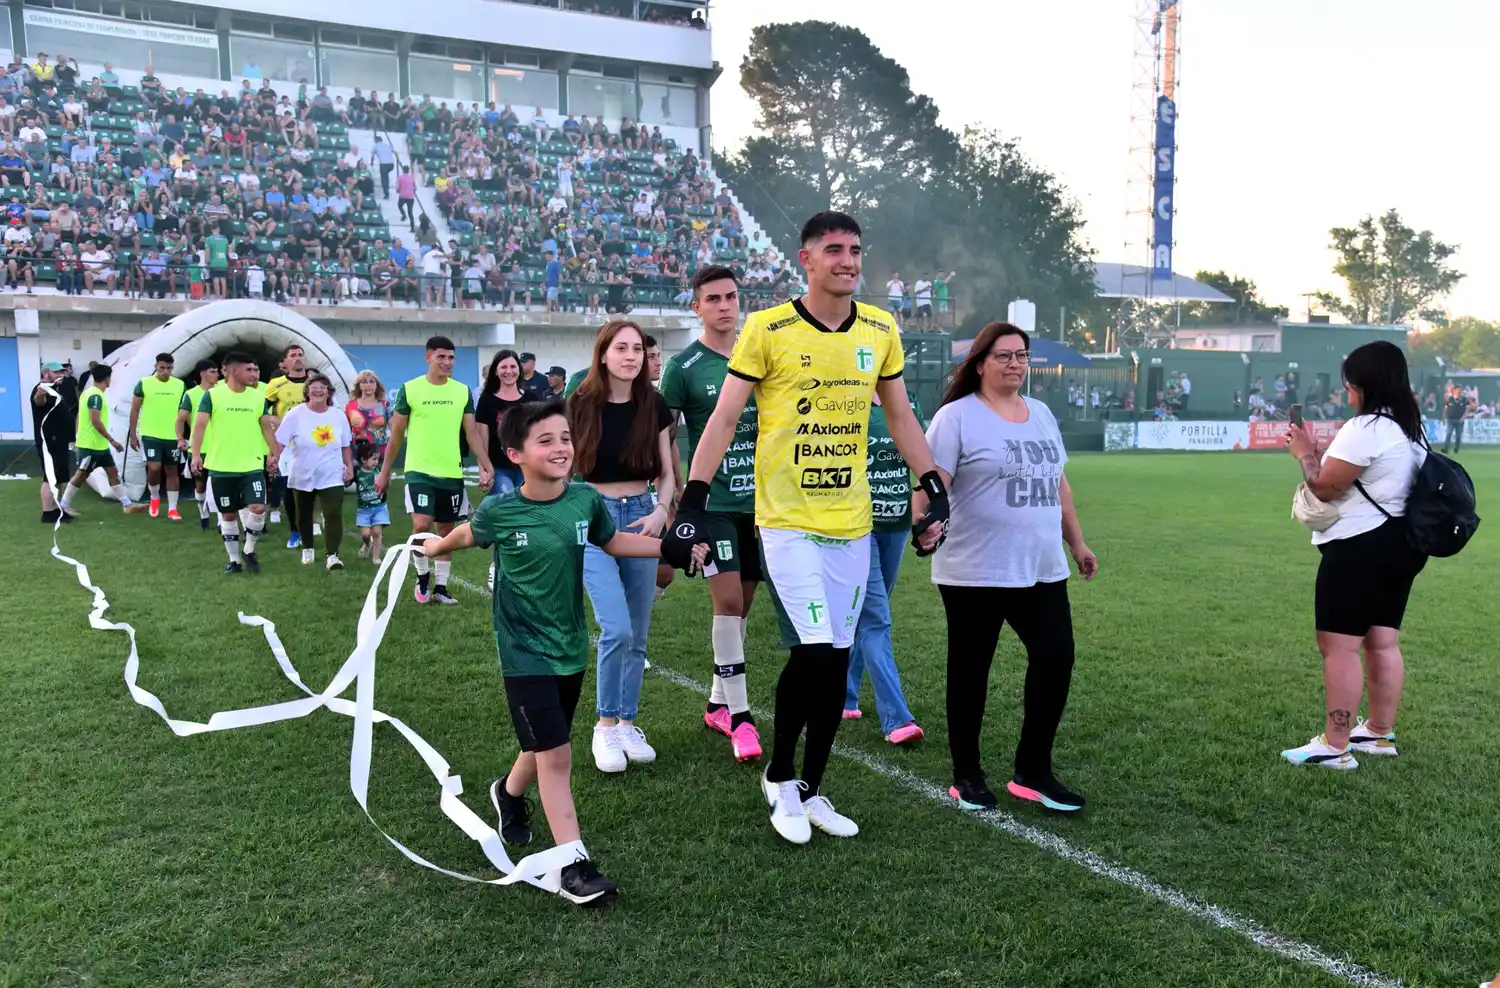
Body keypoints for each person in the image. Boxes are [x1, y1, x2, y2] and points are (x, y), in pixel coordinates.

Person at [661, 211, 950, 845]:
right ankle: (782, 777)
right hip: (785, 520)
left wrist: (931, 482)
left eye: (854, 250)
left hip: (853, 520)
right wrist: (694, 500)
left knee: (837, 657)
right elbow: (724, 418)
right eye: (834, 250)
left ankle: (814, 790)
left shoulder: (880, 328)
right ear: (806, 259)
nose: (848, 260)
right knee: (813, 653)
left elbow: (899, 417)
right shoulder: (767, 328)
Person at [417, 400, 707, 907]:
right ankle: (573, 863)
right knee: (557, 754)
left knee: (543, 745)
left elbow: (614, 541)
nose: (560, 448)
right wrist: (434, 548)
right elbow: (469, 533)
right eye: (545, 440)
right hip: (523, 653)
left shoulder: (583, 502)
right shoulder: (501, 510)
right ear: (516, 454)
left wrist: (670, 550)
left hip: (570, 648)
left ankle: (507, 793)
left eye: (565, 438)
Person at [924, 322, 1097, 813]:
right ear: (980, 363)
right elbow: (932, 484)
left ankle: (1033, 771)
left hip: (1042, 566)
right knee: (971, 671)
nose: (1015, 364)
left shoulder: (1040, 413)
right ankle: (967, 775)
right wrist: (924, 521)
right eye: (1004, 356)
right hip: (975, 569)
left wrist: (1078, 543)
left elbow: (1058, 484)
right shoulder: (957, 418)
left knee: (1056, 657)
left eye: (1021, 355)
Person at [1281, 341, 1429, 770]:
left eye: (1349, 381)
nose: (1346, 390)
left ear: (1364, 383)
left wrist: (1304, 452)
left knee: (1339, 645)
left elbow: (1325, 486)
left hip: (1359, 548)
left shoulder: (1366, 427)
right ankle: (1379, 733)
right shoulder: (1411, 428)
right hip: (1402, 546)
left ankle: (1336, 743)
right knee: (1383, 641)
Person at [659, 265, 762, 761]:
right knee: (726, 603)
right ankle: (741, 718)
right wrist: (675, 489)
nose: (725, 305)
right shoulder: (684, 366)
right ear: (696, 306)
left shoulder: (758, 351)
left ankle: (719, 702)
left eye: (731, 297)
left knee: (743, 605)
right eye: (714, 299)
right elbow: (664, 430)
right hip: (714, 502)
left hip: (763, 505)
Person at [567, 320, 676, 773]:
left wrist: (661, 510)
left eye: (639, 349)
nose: (632, 356)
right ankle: (604, 725)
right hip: (593, 514)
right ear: (604, 354)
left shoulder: (654, 404)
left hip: (642, 517)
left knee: (638, 631)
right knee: (616, 628)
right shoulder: (579, 404)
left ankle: (628, 723)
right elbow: (562, 464)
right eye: (622, 348)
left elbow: (669, 470)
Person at [376, 335, 493, 604]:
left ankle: (440, 587)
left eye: (451, 357)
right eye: (441, 356)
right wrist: (385, 472)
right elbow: (396, 435)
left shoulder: (461, 391)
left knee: (446, 532)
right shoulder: (411, 389)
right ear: (428, 357)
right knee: (420, 525)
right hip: (419, 471)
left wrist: (486, 464)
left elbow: (472, 433)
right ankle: (422, 576)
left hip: (451, 472)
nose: (447, 362)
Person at [843, 389, 924, 745]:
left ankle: (844, 695)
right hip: (856, 528)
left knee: (869, 612)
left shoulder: (906, 404)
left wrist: (925, 508)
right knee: (876, 617)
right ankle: (897, 719)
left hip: (897, 524)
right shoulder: (844, 399)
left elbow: (919, 459)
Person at [191, 352, 277, 574]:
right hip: (221, 466)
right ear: (233, 371)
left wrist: (274, 452)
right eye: (249, 369)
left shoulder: (258, 397)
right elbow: (199, 425)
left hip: (252, 464)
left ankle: (249, 550)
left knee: (258, 508)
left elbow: (265, 426)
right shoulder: (212, 396)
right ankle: (234, 560)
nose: (254, 374)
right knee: (228, 515)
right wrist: (196, 454)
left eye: (255, 369)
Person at [272, 373, 354, 569]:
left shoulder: (338, 415)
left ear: (329, 392)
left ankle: (332, 555)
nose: (318, 390)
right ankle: (307, 548)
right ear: (307, 391)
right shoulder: (295, 414)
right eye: (313, 386)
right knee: (303, 514)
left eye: (323, 386)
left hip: (331, 473)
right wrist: (274, 458)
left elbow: (345, 445)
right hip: (302, 472)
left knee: (333, 513)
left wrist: (349, 466)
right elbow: (280, 440)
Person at [57, 363, 145, 516]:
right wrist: (112, 440)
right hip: (91, 445)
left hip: (99, 446)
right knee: (81, 475)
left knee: (112, 472)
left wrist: (78, 434)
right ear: (107, 378)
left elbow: (79, 415)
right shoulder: (96, 396)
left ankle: (127, 505)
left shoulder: (88, 393)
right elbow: (95, 420)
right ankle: (63, 506)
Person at [127, 351, 186, 520]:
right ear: (155, 367)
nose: (165, 371)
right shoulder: (144, 383)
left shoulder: (180, 385)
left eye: (169, 368)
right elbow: (135, 409)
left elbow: (186, 410)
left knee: (172, 469)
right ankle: (154, 497)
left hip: (173, 435)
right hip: (150, 434)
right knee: (154, 468)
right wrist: (133, 434)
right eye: (162, 368)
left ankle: (173, 508)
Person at [264, 345, 311, 546]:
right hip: (288, 446)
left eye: (301, 355)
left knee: (311, 487)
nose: (298, 359)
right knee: (290, 487)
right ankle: (294, 531)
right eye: (293, 356)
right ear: (285, 361)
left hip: (313, 443)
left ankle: (310, 523)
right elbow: (264, 413)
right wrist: (277, 426)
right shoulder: (276, 384)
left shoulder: (315, 382)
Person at [177, 359, 220, 530]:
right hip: (200, 449)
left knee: (217, 484)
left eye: (217, 371)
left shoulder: (222, 393)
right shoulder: (191, 394)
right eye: (212, 371)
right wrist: (181, 438)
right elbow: (180, 419)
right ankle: (203, 512)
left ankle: (220, 521)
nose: (217, 374)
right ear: (202, 374)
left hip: (218, 448)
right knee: (200, 485)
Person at [32, 360, 75, 522]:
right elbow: (39, 402)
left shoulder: (55, 390)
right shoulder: (42, 389)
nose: (61, 375)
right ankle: (47, 512)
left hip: (61, 440)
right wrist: (39, 394)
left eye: (62, 372)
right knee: (50, 476)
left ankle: (56, 509)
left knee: (60, 475)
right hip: (49, 441)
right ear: (46, 373)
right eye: (57, 372)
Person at [353, 442, 388, 563]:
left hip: (379, 507)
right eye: (373, 459)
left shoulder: (379, 471)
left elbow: (386, 482)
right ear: (363, 460)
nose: (376, 462)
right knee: (366, 534)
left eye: (377, 459)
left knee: (377, 532)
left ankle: (376, 557)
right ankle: (367, 544)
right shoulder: (357, 473)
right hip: (364, 510)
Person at [344, 370, 391, 456]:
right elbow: (345, 433)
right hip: (357, 453)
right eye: (364, 382)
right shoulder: (350, 406)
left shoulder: (385, 405)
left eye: (372, 381)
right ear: (359, 386)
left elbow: (394, 430)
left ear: (376, 385)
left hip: (380, 453)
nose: (368, 385)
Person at [1442, 385, 1472, 454]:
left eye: (1459, 389)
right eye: (1457, 389)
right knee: (1448, 433)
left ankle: (1456, 448)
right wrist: (1443, 417)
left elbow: (1468, 408)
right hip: (1450, 419)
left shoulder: (1464, 399)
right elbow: (1445, 409)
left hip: (1459, 420)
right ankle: (1446, 449)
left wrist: (1463, 417)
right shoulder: (1450, 399)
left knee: (1458, 436)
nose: (1458, 391)